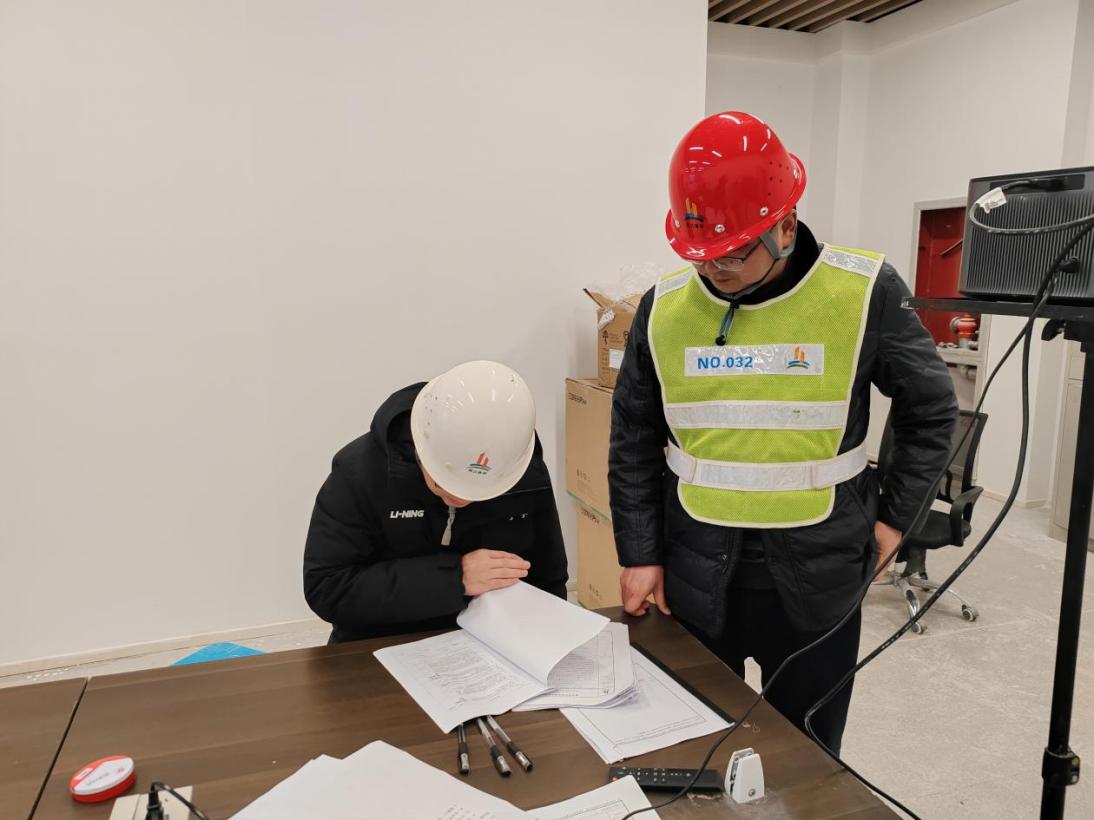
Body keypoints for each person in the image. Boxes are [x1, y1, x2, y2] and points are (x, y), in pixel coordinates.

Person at [608, 111, 957, 754]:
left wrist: (896, 518)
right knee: (693, 746)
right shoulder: (665, 308)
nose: (715, 269)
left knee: (809, 756)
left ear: (786, 225)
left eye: (734, 252)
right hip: (695, 569)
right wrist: (639, 553)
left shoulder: (862, 292)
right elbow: (632, 435)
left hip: (820, 571)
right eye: (701, 255)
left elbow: (931, 408)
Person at [304, 360, 568, 643]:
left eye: (482, 491)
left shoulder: (521, 470)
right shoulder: (361, 472)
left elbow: (548, 579)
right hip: (380, 642)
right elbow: (328, 588)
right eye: (445, 483)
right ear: (420, 448)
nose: (462, 499)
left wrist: (546, 644)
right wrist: (454, 578)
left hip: (490, 642)